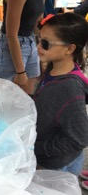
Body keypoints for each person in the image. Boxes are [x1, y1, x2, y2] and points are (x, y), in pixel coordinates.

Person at [33, 13, 88, 177]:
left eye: (45, 43)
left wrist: (37, 147)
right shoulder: (54, 68)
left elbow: (80, 138)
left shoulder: (69, 87)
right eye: (38, 39)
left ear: (70, 48)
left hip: (59, 166)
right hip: (51, 159)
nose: (38, 46)